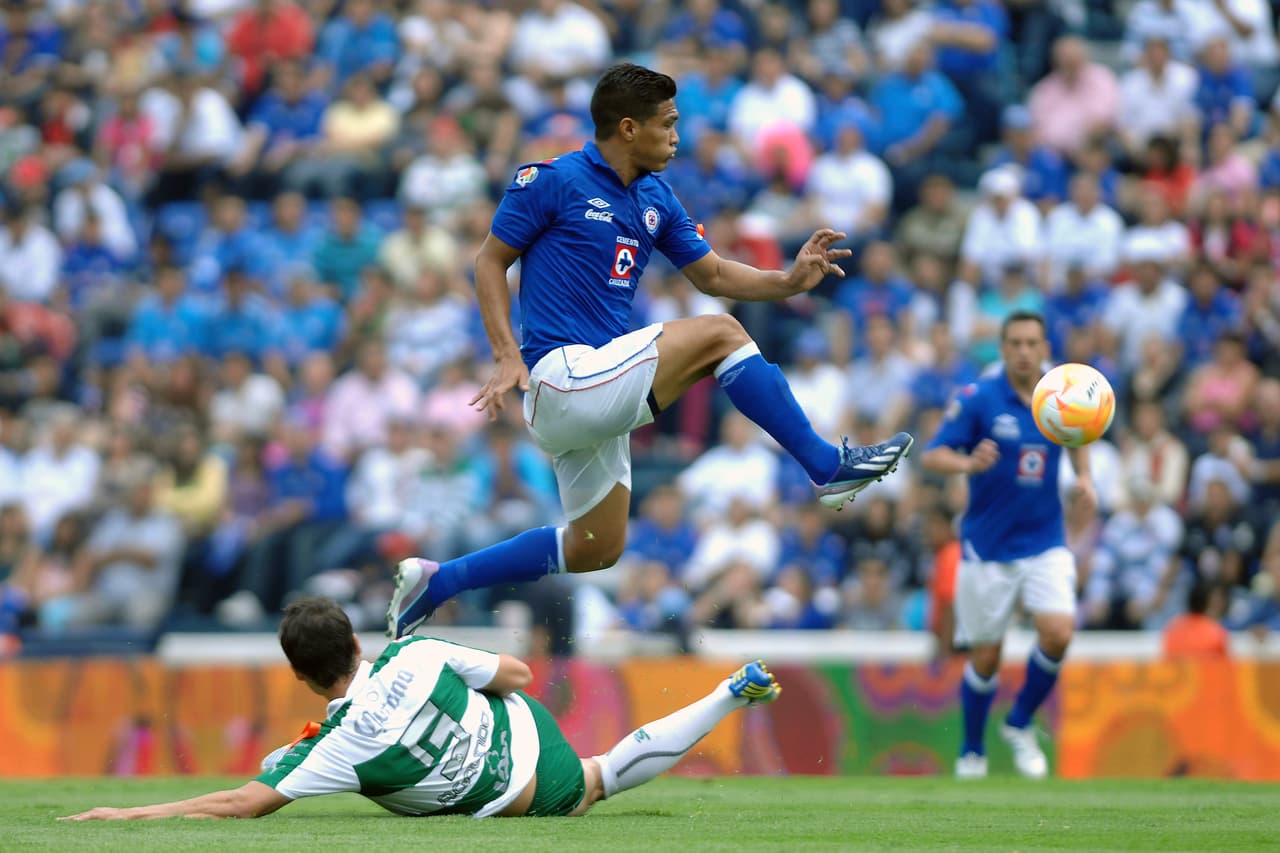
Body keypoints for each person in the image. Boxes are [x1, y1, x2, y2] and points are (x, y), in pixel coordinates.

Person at [388, 63, 912, 638]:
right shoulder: (552, 180)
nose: (677, 136)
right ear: (630, 127)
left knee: (596, 546)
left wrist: (787, 282)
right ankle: (824, 465)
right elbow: (489, 260)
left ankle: (437, 582)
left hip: (595, 393)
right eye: (668, 123)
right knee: (721, 333)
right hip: (562, 376)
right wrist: (506, 354)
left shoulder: (656, 196)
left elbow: (711, 274)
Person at [62, 596, 781, 821]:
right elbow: (521, 671)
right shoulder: (414, 649)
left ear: (304, 676)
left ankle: (726, 692)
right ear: (352, 637)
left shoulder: (335, 746)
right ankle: (726, 690)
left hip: (518, 795)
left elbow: (242, 801)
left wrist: (129, 815)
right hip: (527, 728)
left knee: (594, 784)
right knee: (595, 766)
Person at [919, 311, 1097, 779]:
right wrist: (968, 464)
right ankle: (972, 751)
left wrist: (1084, 478)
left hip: (1045, 540)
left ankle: (1019, 721)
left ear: (1043, 349)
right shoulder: (979, 398)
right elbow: (933, 453)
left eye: (1031, 343)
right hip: (987, 546)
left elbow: (1079, 433)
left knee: (1059, 632)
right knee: (986, 656)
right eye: (1014, 342)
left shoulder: (1061, 394)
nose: (1023, 351)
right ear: (1002, 348)